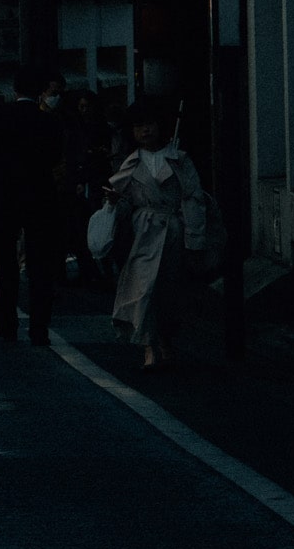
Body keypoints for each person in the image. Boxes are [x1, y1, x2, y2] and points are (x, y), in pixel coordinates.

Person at [87, 97, 211, 371]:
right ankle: (148, 347)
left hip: (173, 232)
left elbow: (193, 199)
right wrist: (113, 203)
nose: (145, 131)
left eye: (150, 124)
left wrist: (195, 239)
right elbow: (125, 201)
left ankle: (164, 341)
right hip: (142, 234)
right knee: (143, 290)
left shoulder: (180, 159)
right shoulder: (131, 164)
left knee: (168, 292)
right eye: (139, 126)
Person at [0, 66, 64, 345]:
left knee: (6, 264)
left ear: (14, 89)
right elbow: (56, 156)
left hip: (5, 197)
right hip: (40, 195)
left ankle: (6, 324)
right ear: (41, 91)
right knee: (39, 266)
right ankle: (39, 329)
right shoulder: (49, 122)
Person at [62, 86, 110, 286]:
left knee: (95, 227)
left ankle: (97, 271)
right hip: (85, 183)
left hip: (95, 182)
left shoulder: (98, 128)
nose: (84, 110)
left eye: (87, 106)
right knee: (83, 228)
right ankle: (92, 271)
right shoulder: (76, 128)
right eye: (81, 106)